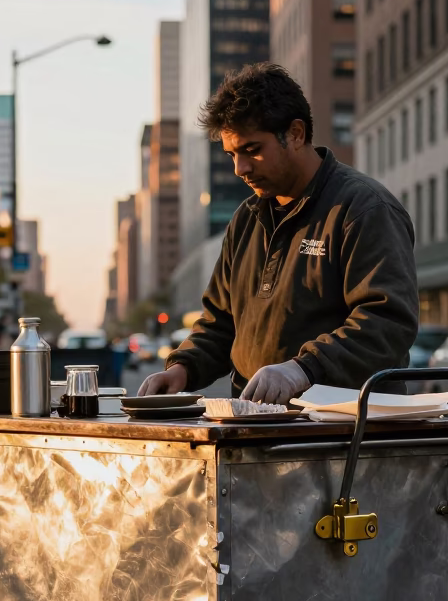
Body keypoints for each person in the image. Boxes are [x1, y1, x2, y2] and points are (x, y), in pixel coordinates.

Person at [140, 63, 419, 404]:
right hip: (256, 429)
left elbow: (388, 322)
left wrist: (304, 369)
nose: (240, 169)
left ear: (296, 134)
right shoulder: (245, 220)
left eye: (252, 150)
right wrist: (181, 370)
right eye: (231, 154)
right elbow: (219, 323)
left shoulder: (364, 209)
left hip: (344, 432)